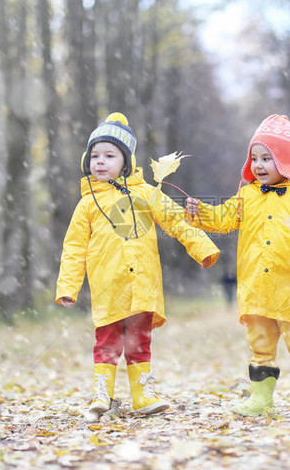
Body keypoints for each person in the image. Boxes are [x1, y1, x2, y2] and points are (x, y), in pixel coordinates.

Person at [56, 112, 220, 421]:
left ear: (126, 162)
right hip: (108, 287)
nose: (100, 162)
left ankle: (142, 393)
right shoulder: (87, 204)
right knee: (106, 340)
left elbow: (175, 221)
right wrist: (68, 286)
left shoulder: (147, 195)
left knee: (138, 340)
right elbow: (74, 248)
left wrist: (203, 248)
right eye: (95, 156)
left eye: (109, 155)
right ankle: (101, 392)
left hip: (143, 285)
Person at [186, 114, 290, 416]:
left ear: (285, 160)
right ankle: (261, 398)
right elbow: (223, 219)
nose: (258, 165)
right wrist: (200, 212)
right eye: (254, 158)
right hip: (256, 289)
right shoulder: (247, 196)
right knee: (260, 346)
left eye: (267, 158)